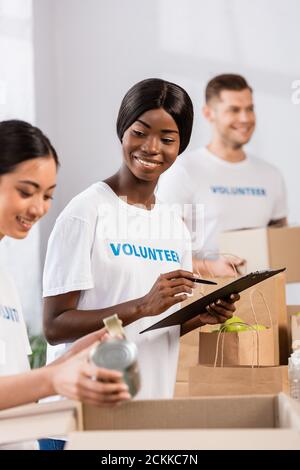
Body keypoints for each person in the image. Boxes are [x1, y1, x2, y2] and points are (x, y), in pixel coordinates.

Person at [42, 78, 239, 403]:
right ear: (122, 130)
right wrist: (141, 306)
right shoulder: (87, 211)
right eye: (140, 132)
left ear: (181, 145)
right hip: (78, 418)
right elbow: (54, 327)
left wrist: (195, 318)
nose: (151, 147)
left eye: (167, 138)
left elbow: (151, 325)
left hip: (146, 411)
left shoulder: (173, 225)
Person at [0, 120, 130, 414]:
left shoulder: (4, 279)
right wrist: (53, 379)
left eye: (47, 196)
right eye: (25, 191)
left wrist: (73, 356)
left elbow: (15, 385)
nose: (38, 209)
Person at [157, 74, 288, 276]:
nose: (245, 118)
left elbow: (281, 244)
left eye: (249, 109)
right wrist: (210, 267)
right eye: (234, 110)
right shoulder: (183, 170)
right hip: (202, 299)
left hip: (261, 298)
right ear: (209, 113)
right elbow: (161, 251)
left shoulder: (271, 175)